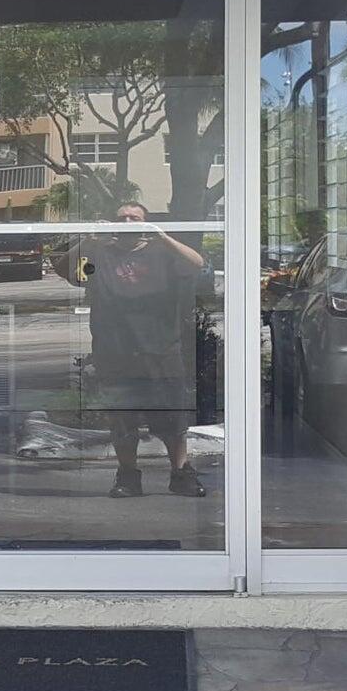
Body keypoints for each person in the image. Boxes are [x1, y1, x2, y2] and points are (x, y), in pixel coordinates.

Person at [68, 203, 208, 497]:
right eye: (122, 218)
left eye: (135, 218)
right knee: (122, 419)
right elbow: (69, 272)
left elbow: (196, 263)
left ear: (146, 223)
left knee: (173, 418)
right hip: (115, 352)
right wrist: (90, 239)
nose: (128, 222)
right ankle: (128, 477)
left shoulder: (162, 253)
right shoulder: (100, 256)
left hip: (161, 350)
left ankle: (181, 474)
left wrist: (163, 236)